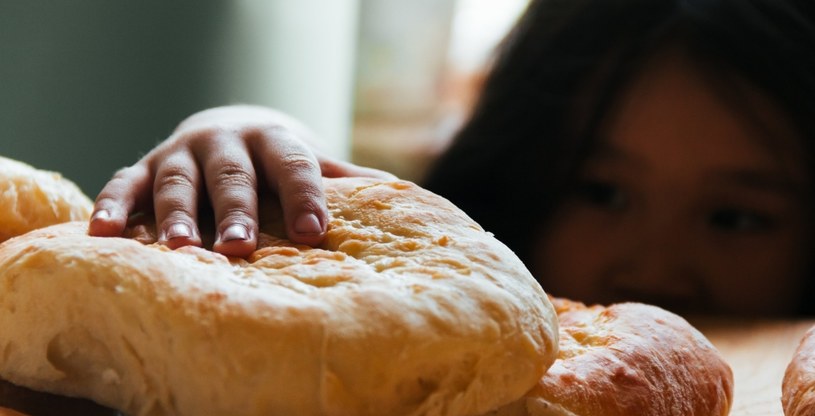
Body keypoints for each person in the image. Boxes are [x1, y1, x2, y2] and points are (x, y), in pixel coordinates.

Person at [89, 0, 815, 318]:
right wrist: (246, 129)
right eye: (601, 193)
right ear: (518, 165)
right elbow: (334, 214)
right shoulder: (434, 334)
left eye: (735, 217)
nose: (654, 267)